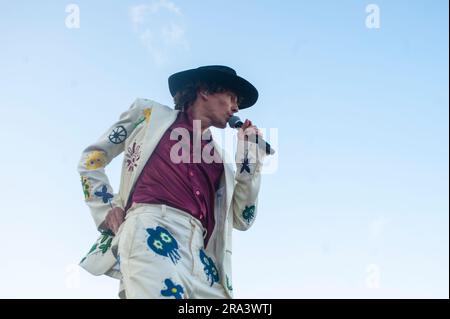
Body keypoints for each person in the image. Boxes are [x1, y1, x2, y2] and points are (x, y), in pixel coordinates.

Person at [77, 65, 266, 299]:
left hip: (203, 258)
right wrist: (107, 209)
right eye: (231, 98)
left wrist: (249, 158)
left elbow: (242, 219)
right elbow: (91, 159)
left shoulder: (221, 162)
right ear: (205, 90)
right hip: (151, 229)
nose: (236, 107)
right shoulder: (148, 114)